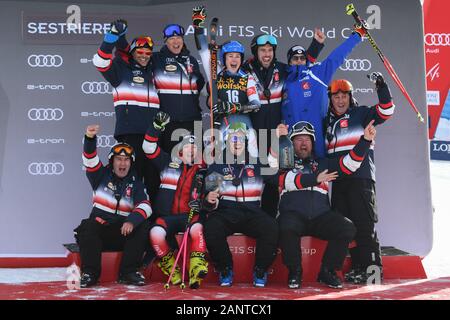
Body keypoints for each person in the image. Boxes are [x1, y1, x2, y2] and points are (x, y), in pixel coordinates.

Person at [273, 119, 376, 289]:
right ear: (291, 143)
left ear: (313, 143)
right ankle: (295, 271)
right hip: (293, 215)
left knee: (346, 227)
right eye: (298, 139)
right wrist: (278, 139)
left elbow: (350, 164)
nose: (303, 143)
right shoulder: (284, 163)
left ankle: (327, 271)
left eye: (307, 139)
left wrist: (365, 141)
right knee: (286, 226)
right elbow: (270, 171)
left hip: (320, 217)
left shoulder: (323, 163)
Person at [243, 30, 325, 218]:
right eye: (263, 50)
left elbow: (302, 66)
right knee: (252, 178)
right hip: (254, 134)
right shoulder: (246, 70)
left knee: (272, 180)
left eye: (270, 50)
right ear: (256, 52)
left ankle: (269, 224)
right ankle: (250, 222)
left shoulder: (282, 69)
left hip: (276, 135)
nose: (266, 54)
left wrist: (316, 45)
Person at [325, 74, 395, 284]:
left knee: (364, 226)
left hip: (361, 179)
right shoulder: (327, 123)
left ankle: (373, 272)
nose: (340, 100)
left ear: (350, 97)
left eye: (344, 96)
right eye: (336, 96)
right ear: (330, 99)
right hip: (338, 182)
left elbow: (386, 110)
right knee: (348, 229)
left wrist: (381, 87)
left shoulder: (361, 114)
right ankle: (358, 267)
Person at [202, 122, 279, 288]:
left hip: (252, 212)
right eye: (232, 138)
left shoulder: (257, 163)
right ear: (227, 141)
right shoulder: (218, 164)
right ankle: (225, 268)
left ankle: (260, 270)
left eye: (240, 138)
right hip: (226, 212)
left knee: (271, 227)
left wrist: (276, 140)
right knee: (211, 227)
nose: (236, 142)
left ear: (245, 141)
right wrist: (210, 199)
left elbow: (276, 176)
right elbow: (208, 198)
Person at [75, 124, 152, 288]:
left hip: (122, 233)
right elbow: (89, 159)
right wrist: (90, 138)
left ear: (131, 163)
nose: (122, 163)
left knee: (143, 225)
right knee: (87, 226)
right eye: (119, 159)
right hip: (100, 232)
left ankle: (128, 272)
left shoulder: (136, 184)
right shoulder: (100, 175)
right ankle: (90, 274)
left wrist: (132, 221)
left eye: (126, 160)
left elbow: (146, 206)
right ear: (112, 161)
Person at [92, 19, 161, 203]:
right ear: (132, 53)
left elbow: (125, 47)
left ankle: (152, 224)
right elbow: (100, 61)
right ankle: (128, 223)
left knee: (154, 182)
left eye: (148, 53)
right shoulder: (121, 70)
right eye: (140, 52)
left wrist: (122, 38)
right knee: (132, 183)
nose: (144, 56)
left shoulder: (154, 70)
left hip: (154, 135)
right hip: (131, 134)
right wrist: (112, 36)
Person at [281, 22, 368, 158]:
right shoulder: (283, 80)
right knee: (292, 177)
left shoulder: (317, 74)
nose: (299, 61)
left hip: (317, 140)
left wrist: (357, 35)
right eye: (295, 58)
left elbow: (337, 56)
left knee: (321, 175)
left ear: (306, 60)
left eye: (302, 58)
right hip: (292, 142)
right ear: (289, 62)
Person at [143, 111, 208, 289]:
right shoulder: (167, 161)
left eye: (196, 147)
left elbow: (214, 196)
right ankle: (171, 266)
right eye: (188, 146)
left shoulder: (205, 170)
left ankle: (196, 268)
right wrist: (156, 126)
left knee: (198, 228)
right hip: (167, 216)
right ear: (180, 149)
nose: (192, 149)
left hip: (190, 215)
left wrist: (202, 203)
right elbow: (148, 148)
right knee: (155, 233)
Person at [191, 7, 260, 157]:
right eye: (230, 56)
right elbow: (202, 49)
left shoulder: (247, 78)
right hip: (222, 124)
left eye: (237, 56)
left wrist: (233, 107)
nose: (234, 59)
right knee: (217, 154)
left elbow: (256, 105)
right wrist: (198, 28)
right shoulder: (216, 74)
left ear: (241, 59)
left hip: (244, 124)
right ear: (224, 58)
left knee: (253, 153)